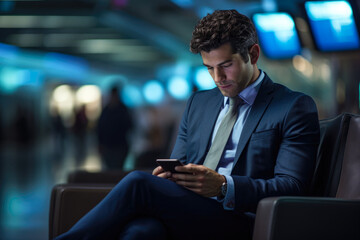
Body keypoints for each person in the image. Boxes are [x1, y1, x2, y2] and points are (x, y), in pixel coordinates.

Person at [55, 9, 320, 240]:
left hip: (243, 219)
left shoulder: (293, 106)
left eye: (226, 65)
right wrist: (169, 176)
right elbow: (179, 162)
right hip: (192, 209)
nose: (218, 77)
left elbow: (292, 186)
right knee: (142, 232)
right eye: (209, 68)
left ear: (253, 54)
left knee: (138, 182)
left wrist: (224, 186)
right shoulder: (199, 104)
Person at [97, 86, 133, 169]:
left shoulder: (113, 109)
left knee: (116, 168)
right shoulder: (120, 109)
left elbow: (100, 128)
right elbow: (100, 128)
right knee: (111, 168)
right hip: (111, 145)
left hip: (119, 145)